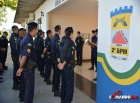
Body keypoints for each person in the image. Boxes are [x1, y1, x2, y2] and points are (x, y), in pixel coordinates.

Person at [16, 22, 38, 103]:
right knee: (29, 89)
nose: (37, 32)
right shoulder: (28, 40)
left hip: (26, 67)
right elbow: (24, 56)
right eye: (37, 30)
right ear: (34, 29)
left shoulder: (25, 38)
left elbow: (20, 55)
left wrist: (20, 67)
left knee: (26, 88)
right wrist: (20, 68)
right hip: (28, 69)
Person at [57, 27, 75, 103]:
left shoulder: (62, 41)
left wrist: (60, 63)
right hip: (68, 67)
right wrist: (63, 64)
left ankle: (62, 99)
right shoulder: (71, 42)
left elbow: (58, 53)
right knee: (69, 85)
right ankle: (68, 101)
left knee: (63, 83)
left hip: (62, 67)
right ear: (71, 33)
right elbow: (69, 56)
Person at [51, 25, 61, 96]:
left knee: (55, 74)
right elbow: (58, 49)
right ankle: (56, 90)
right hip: (56, 58)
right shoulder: (57, 38)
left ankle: (54, 87)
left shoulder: (53, 37)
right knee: (57, 75)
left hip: (53, 57)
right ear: (59, 30)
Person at [16, 28, 26, 102]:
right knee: (23, 80)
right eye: (25, 33)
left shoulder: (20, 40)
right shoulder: (21, 41)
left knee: (23, 80)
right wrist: (21, 66)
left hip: (20, 61)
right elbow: (21, 55)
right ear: (22, 33)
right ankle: (22, 96)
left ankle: (21, 94)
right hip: (20, 62)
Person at [9, 25, 20, 90]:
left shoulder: (16, 36)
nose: (17, 30)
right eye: (16, 29)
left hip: (17, 56)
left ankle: (17, 82)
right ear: (14, 30)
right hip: (15, 56)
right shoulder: (13, 37)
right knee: (15, 69)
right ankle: (15, 85)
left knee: (17, 69)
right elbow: (14, 48)